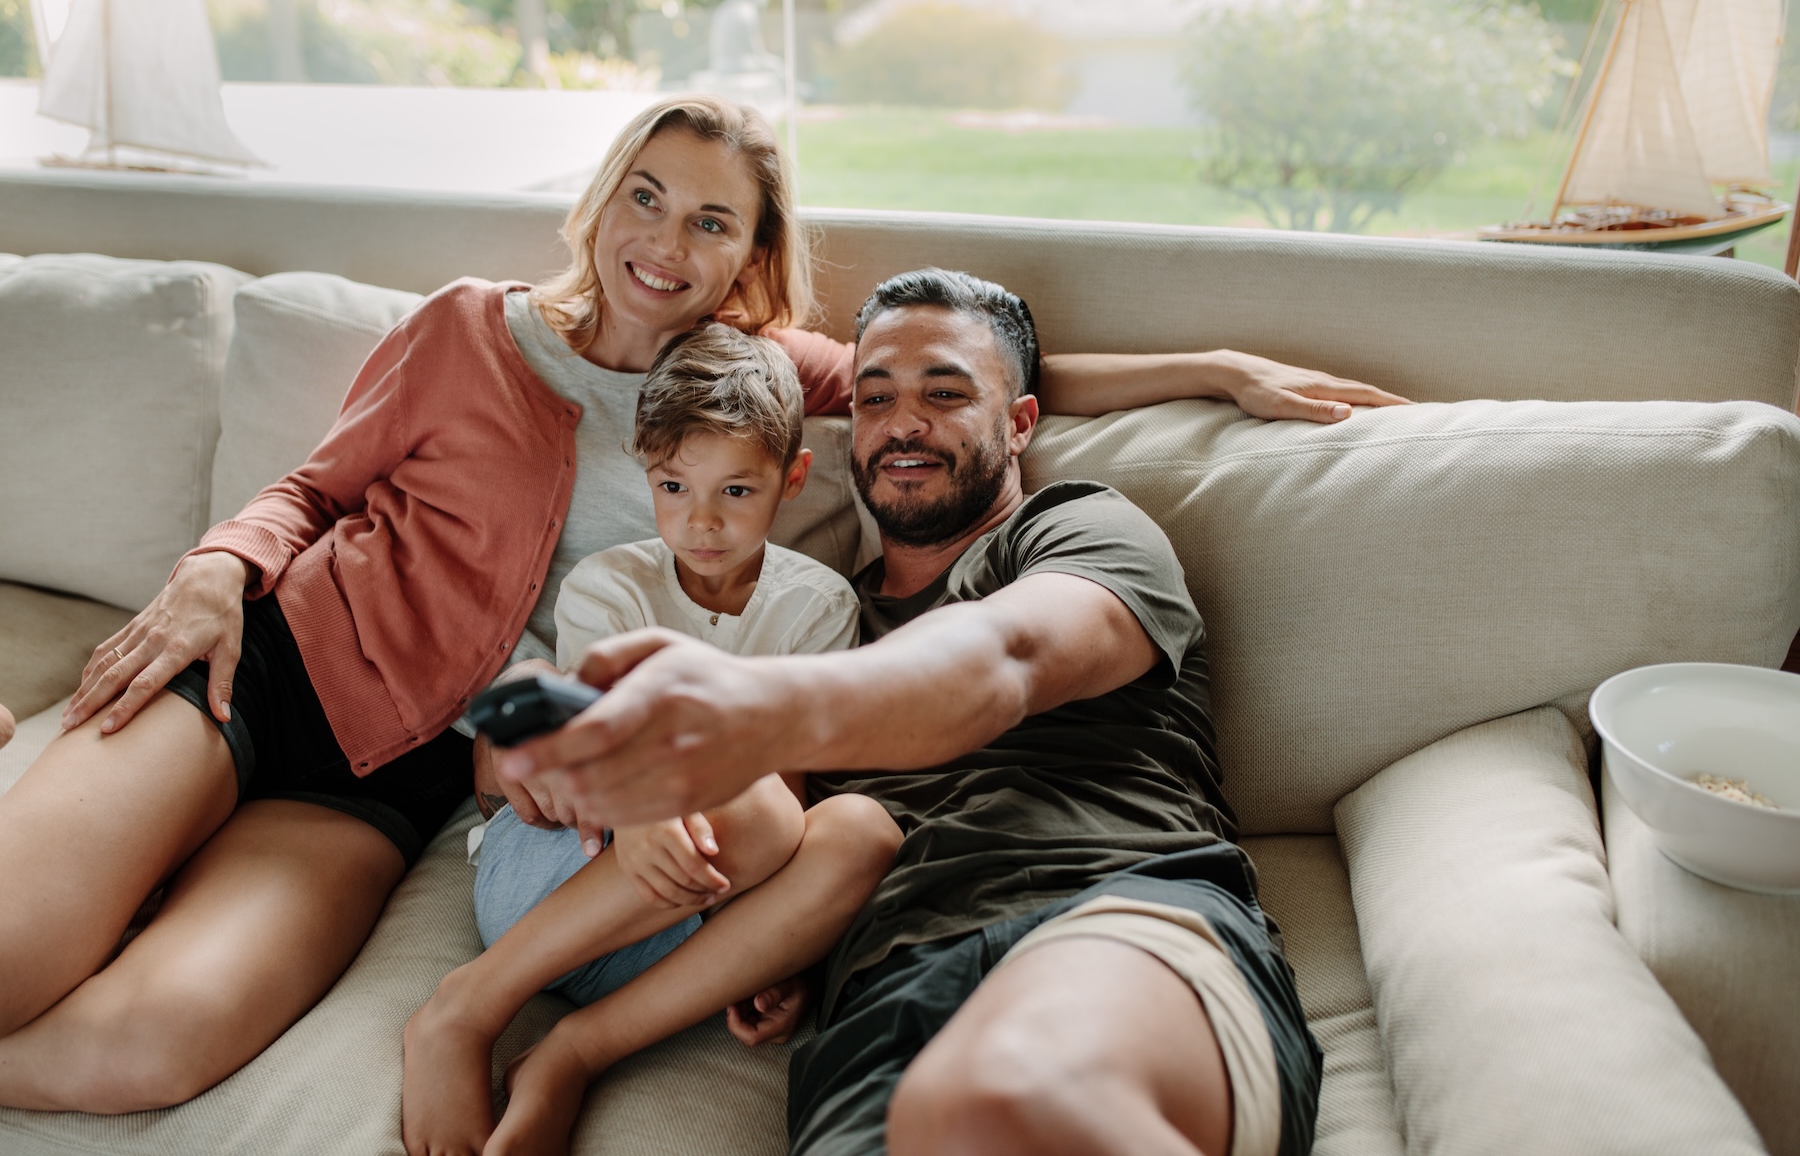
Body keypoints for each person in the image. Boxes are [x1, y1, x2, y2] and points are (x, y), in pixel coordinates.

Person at [0, 89, 1395, 1117]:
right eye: (648, 197)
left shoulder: (769, 377)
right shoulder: (469, 328)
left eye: (712, 220)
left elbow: (973, 376)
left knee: (141, 1054)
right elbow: (311, 490)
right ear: (605, 201)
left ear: (748, 257)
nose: (667, 240)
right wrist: (211, 571)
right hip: (270, 670)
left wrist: (1219, 366)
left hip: (395, 776)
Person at [503, 268, 1322, 1156]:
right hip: (881, 1003)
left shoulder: (1079, 530)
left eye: (945, 393)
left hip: (1108, 915)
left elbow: (1003, 661)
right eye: (875, 397)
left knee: (998, 1097)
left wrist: (754, 708)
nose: (902, 423)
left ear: (1019, 425)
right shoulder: (815, 621)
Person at [402, 323, 902, 1156]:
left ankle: (572, 1051)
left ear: (793, 479)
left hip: (693, 922)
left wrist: (785, 949)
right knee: (735, 800)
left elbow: (785, 802)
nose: (701, 522)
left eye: (736, 493)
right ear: (647, 476)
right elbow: (588, 750)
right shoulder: (611, 587)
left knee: (862, 832)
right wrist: (642, 807)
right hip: (563, 873)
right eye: (674, 487)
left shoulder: (815, 605)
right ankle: (466, 1008)